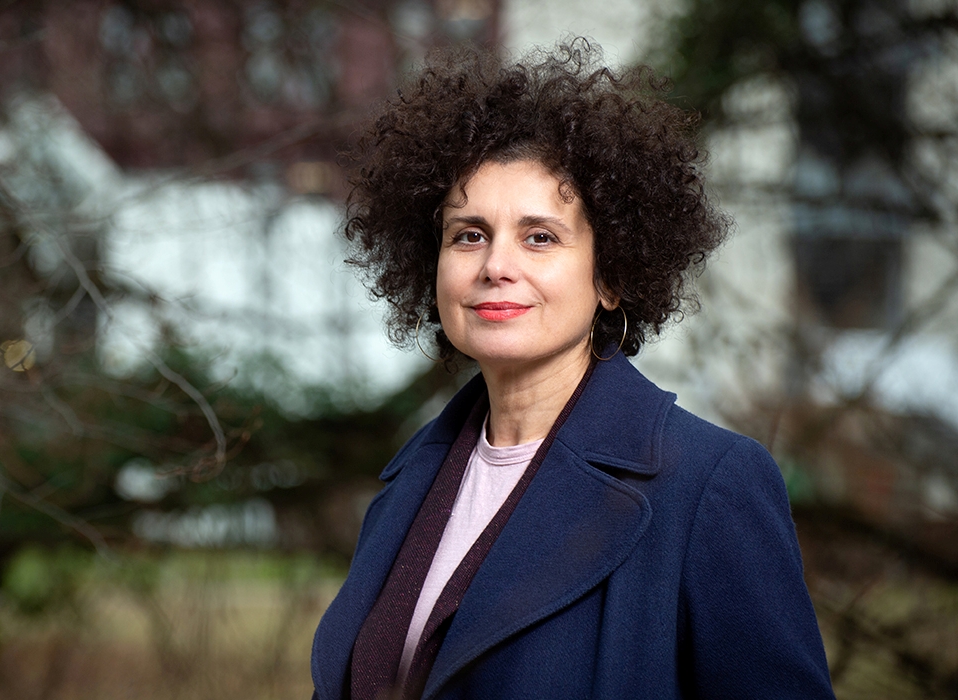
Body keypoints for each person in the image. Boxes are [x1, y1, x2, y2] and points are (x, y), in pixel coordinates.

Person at [310, 41, 835, 700]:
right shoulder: (406, 482)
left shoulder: (709, 486)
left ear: (610, 276)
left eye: (540, 237)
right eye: (469, 235)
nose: (496, 266)